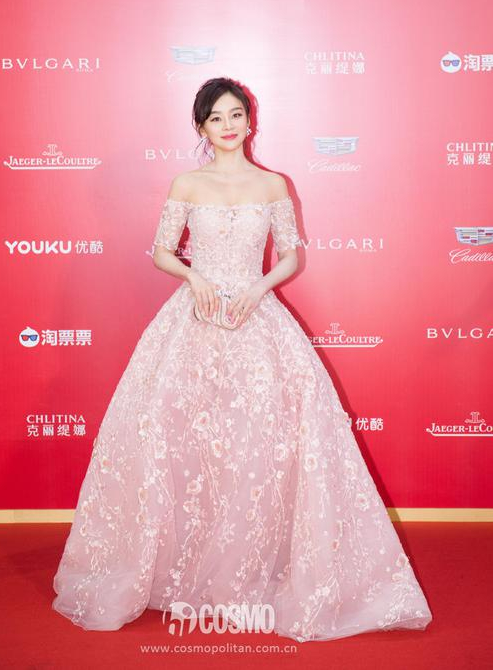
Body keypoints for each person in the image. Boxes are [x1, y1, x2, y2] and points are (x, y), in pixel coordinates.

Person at [52, 77, 433, 642]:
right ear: (201, 128)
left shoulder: (273, 183)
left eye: (236, 115)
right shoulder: (187, 183)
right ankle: (175, 565)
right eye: (216, 118)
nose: (228, 126)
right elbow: (161, 251)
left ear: (250, 121)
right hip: (195, 320)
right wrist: (194, 277)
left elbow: (291, 255)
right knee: (184, 443)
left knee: (258, 445)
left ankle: (250, 566)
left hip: (256, 319)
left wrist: (259, 288)